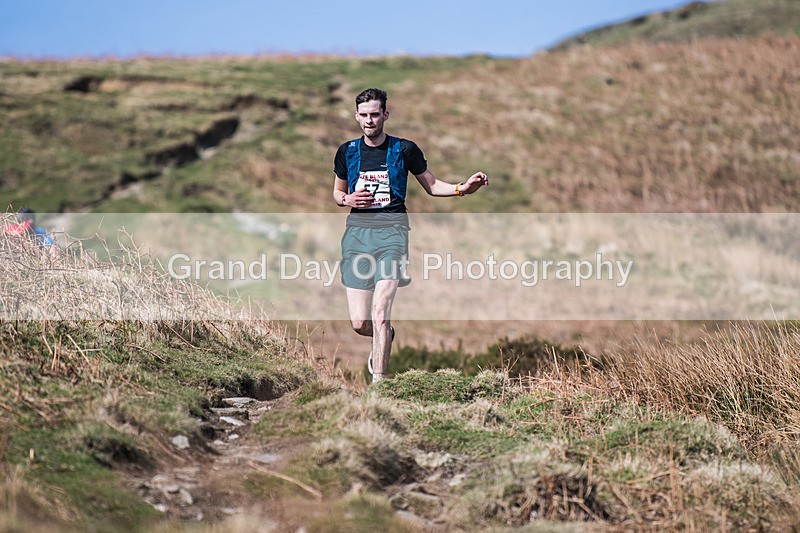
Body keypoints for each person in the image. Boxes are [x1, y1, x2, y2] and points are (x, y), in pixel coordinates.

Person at [332, 88, 489, 383]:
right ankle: (385, 335)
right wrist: (347, 200)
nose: (369, 121)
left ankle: (379, 385)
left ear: (385, 115)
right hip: (356, 237)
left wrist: (462, 189)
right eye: (364, 115)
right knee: (360, 322)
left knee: (380, 311)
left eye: (375, 114)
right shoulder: (347, 151)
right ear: (357, 117)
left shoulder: (404, 150)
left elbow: (431, 185)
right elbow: (337, 192)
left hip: (392, 235)